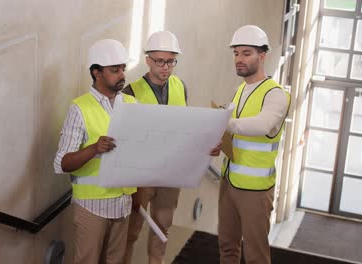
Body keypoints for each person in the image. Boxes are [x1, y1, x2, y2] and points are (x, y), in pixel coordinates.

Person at [123, 30, 221, 264]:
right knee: (131, 231)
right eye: (159, 61)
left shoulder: (180, 86)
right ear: (147, 60)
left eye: (171, 61)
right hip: (142, 175)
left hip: (171, 172)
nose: (165, 67)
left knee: (162, 227)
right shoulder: (130, 93)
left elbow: (184, 127)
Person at [54, 39, 137, 264]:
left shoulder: (131, 102)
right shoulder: (79, 108)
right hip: (92, 206)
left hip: (123, 202)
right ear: (96, 73)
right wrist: (94, 149)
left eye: (123, 69)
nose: (122, 74)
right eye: (114, 70)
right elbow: (61, 163)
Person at [218, 25, 291, 264]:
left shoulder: (276, 94)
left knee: (256, 256)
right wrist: (218, 141)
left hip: (255, 191)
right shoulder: (241, 90)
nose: (239, 59)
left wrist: (224, 122)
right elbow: (232, 131)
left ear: (262, 56)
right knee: (227, 248)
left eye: (246, 53)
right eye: (236, 53)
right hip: (229, 182)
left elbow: (262, 125)